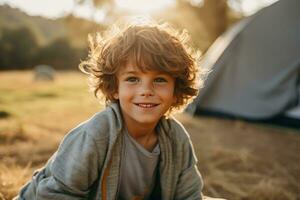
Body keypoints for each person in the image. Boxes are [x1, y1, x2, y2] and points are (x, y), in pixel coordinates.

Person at [15, 20, 204, 200]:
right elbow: (55, 194)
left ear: (176, 89)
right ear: (114, 88)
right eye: (132, 79)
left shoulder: (176, 139)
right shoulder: (96, 134)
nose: (146, 90)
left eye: (160, 79)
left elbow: (190, 195)